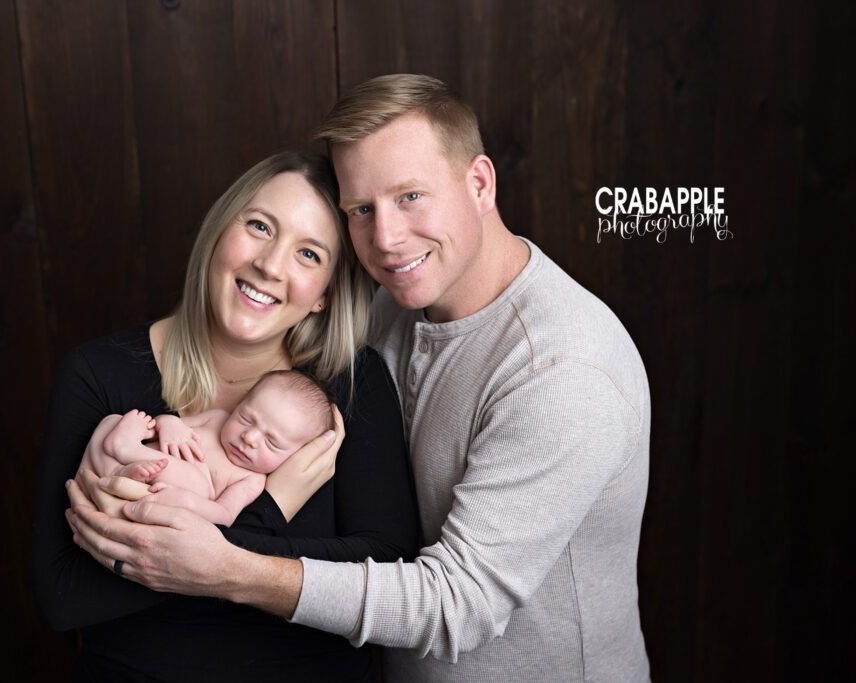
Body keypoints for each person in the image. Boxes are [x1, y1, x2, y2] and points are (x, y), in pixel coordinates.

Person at [68, 75, 651, 682]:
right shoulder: (390, 310)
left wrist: (228, 565)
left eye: (411, 197)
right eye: (361, 210)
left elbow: (459, 605)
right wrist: (117, 450)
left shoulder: (562, 370)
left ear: (479, 183)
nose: (387, 239)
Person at [32, 150, 420, 682]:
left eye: (309, 254)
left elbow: (390, 571)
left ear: (324, 297)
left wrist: (222, 551)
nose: (271, 264)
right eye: (260, 226)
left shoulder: (350, 383)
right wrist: (274, 510)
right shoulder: (98, 374)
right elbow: (64, 597)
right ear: (218, 232)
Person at [80, 370, 335, 525]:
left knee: (197, 482)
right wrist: (169, 425)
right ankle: (118, 459)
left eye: (272, 442)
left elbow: (224, 514)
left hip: (155, 493)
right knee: (111, 421)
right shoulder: (217, 418)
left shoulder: (251, 479)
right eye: (246, 419)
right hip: (119, 468)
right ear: (239, 406)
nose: (250, 438)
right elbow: (160, 426)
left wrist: (187, 502)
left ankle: (125, 456)